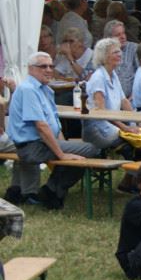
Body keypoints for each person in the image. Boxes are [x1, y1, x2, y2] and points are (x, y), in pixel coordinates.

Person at [7, 51, 100, 209]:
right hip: (32, 147)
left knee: (78, 155)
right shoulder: (29, 89)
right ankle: (51, 191)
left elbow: (54, 123)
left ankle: (50, 190)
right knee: (91, 149)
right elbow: (41, 126)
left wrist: (63, 146)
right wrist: (62, 154)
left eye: (51, 66)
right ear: (31, 69)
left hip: (40, 144)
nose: (49, 70)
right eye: (43, 66)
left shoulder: (45, 89)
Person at [82, 38, 141, 152]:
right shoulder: (98, 77)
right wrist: (125, 128)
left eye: (119, 51)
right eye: (115, 52)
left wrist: (137, 122)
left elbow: (124, 101)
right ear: (104, 57)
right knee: (131, 145)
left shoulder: (113, 74)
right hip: (99, 129)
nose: (120, 54)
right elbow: (102, 112)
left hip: (113, 125)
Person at [104, 20, 139, 99]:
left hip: (132, 99)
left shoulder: (134, 49)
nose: (123, 37)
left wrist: (132, 97)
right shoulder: (103, 52)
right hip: (109, 99)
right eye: (118, 35)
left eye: (123, 33)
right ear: (109, 39)